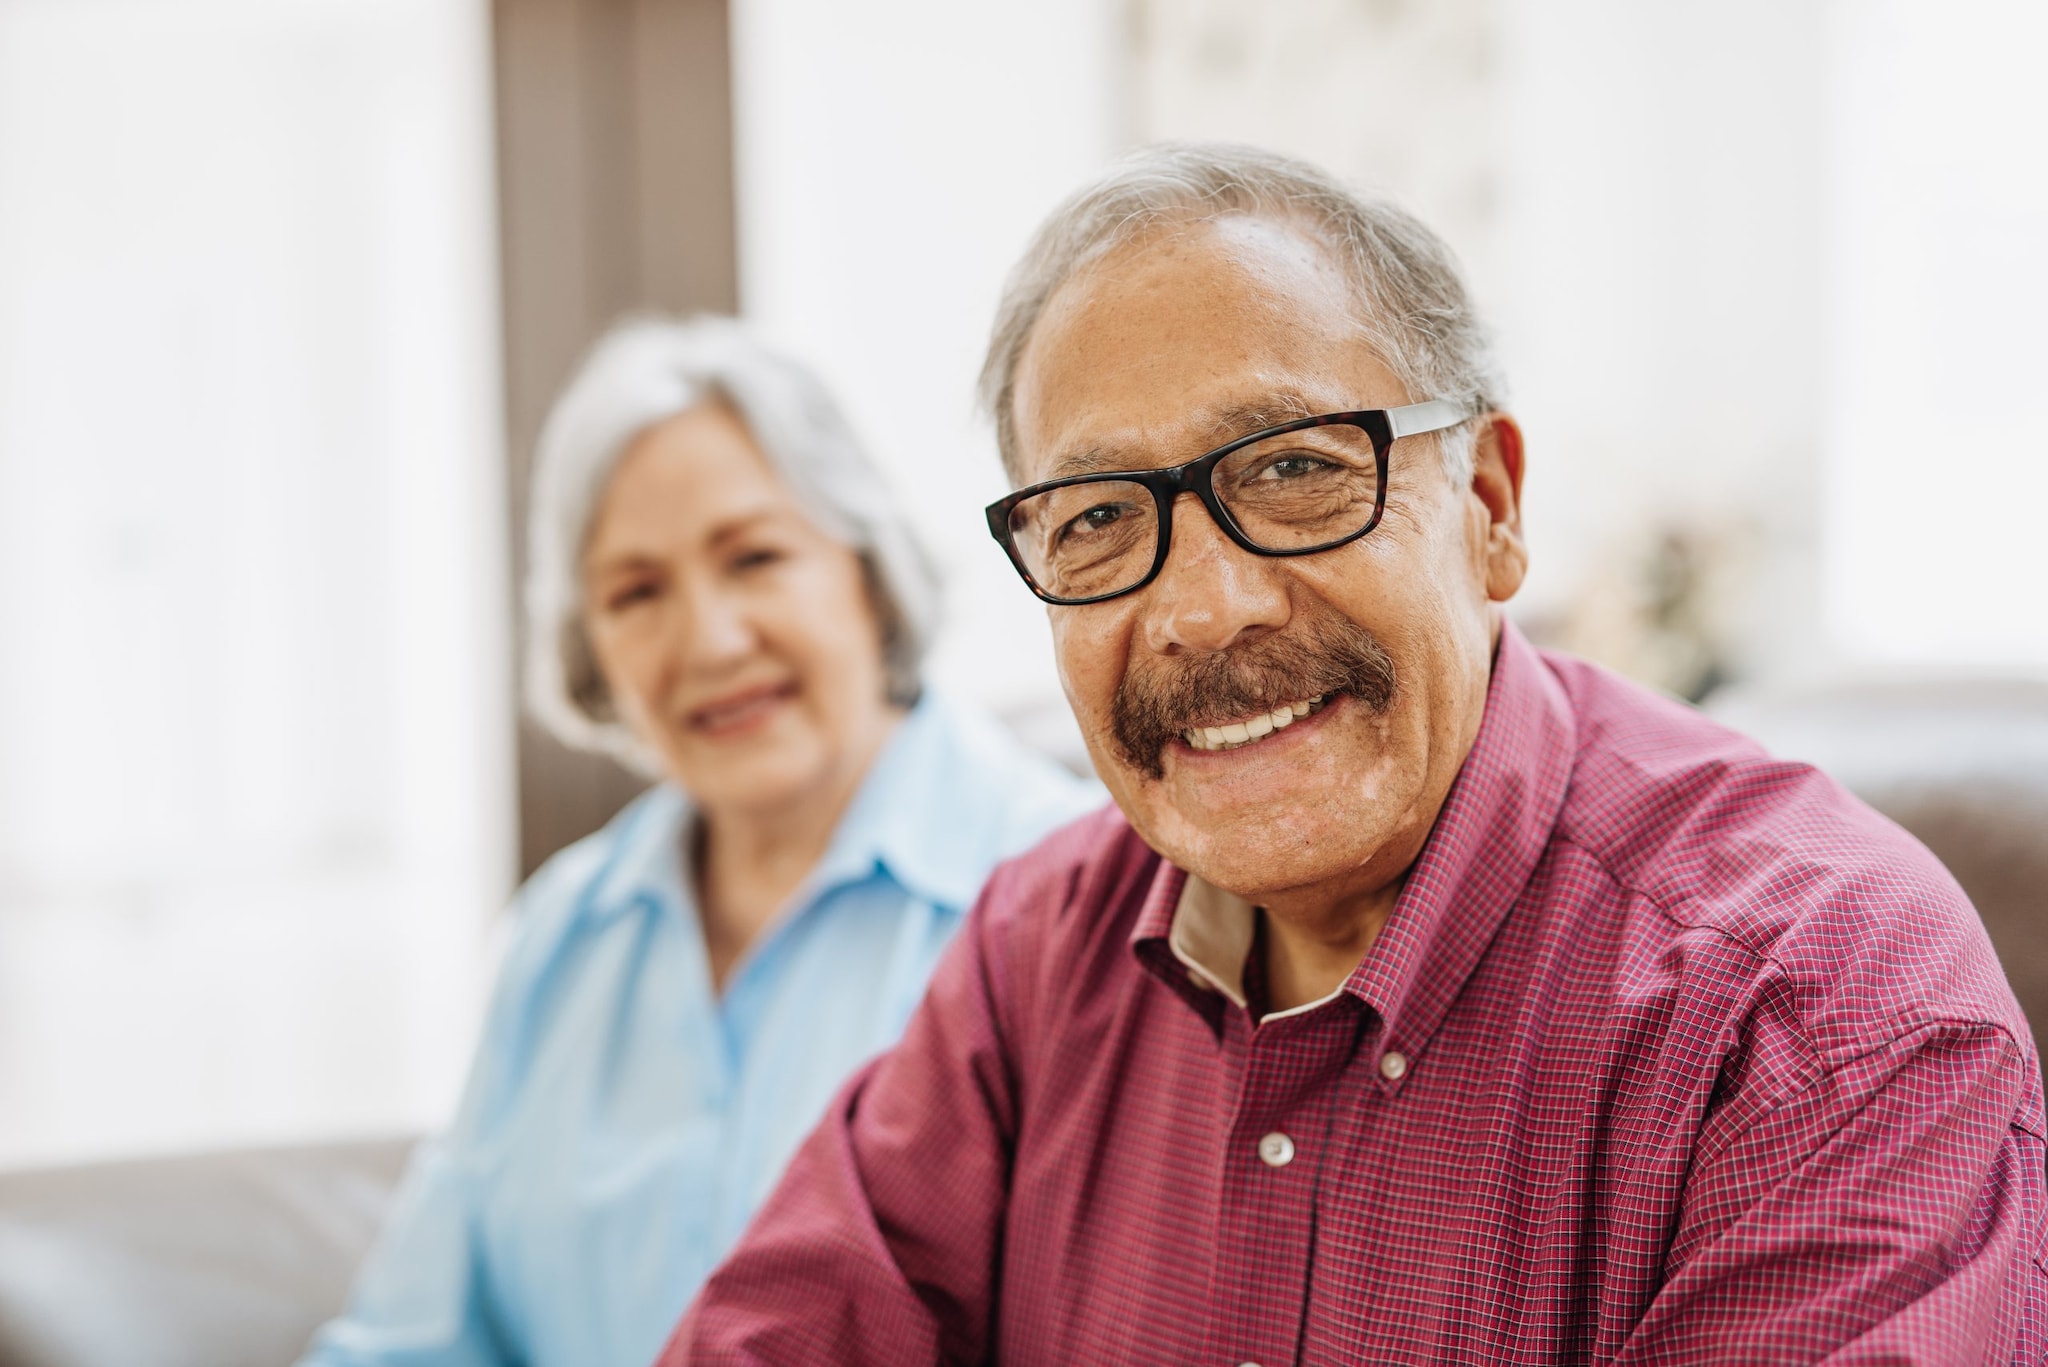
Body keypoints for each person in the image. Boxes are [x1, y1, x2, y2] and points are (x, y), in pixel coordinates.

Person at [666, 146, 2048, 1363]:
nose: (1206, 607)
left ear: (1492, 505)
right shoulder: (1037, 949)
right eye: (1094, 518)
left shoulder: (1823, 1006)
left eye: (1292, 470)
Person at [300, 317, 1099, 1367]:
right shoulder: (563, 928)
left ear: (865, 570)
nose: (711, 641)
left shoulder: (1070, 890)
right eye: (636, 592)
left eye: (755, 556)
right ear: (592, 649)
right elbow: (415, 1338)